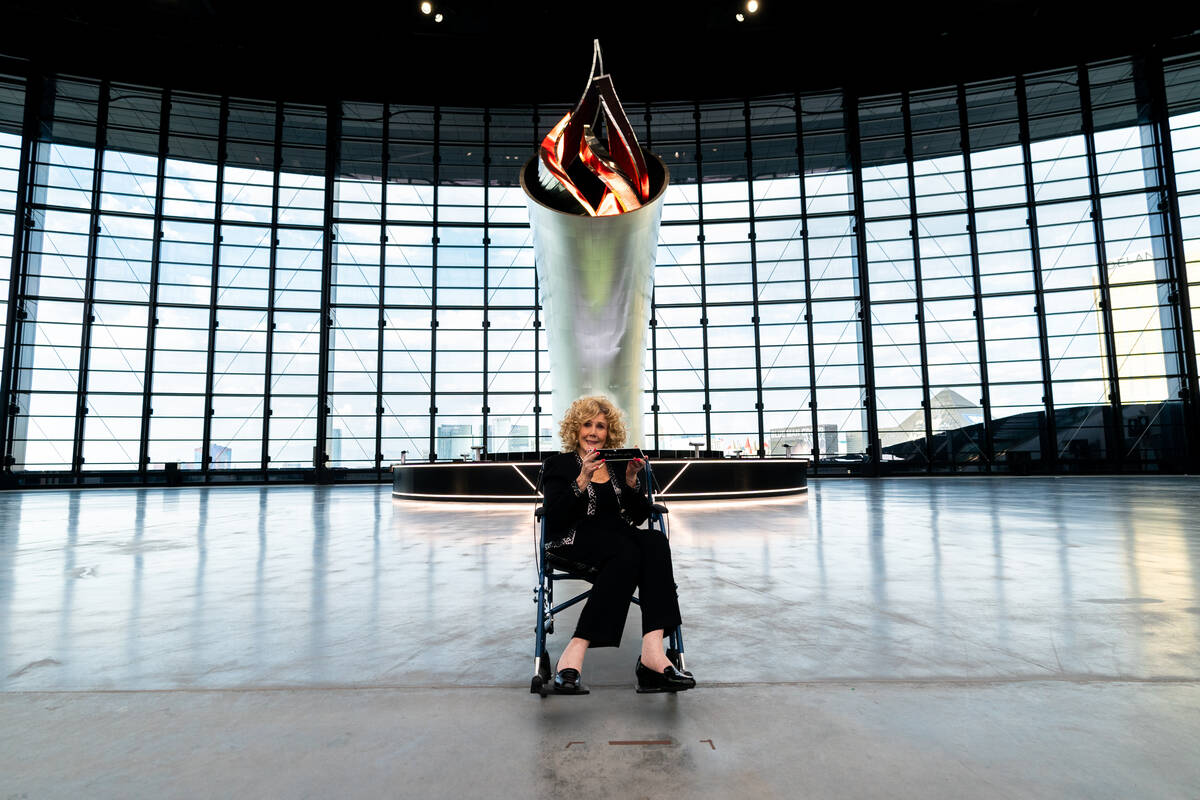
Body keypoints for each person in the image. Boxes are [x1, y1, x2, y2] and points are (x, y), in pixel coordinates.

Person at [541, 395, 696, 694]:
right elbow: (556, 517)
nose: (593, 432)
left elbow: (638, 516)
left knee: (653, 541)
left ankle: (652, 653)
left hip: (615, 537)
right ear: (575, 429)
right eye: (587, 424)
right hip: (572, 539)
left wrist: (631, 479)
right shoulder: (558, 465)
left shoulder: (616, 464)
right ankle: (574, 652)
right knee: (627, 552)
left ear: (608, 433)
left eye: (600, 426)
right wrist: (582, 478)